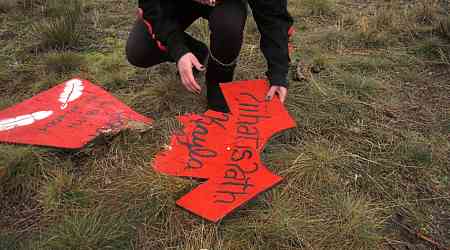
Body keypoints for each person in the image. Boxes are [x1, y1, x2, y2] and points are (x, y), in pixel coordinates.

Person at [126, 0, 294, 113]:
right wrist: (179, 50)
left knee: (229, 28)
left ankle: (218, 82)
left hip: (225, 4)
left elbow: (274, 17)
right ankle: (197, 54)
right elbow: (151, 5)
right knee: (140, 52)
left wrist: (278, 72)